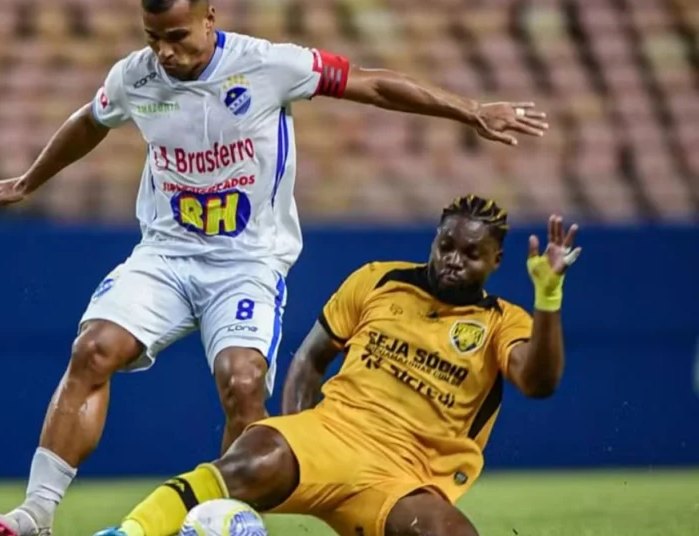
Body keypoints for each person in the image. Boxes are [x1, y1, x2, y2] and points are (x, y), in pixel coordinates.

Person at [0, 0, 550, 532]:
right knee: (92, 349)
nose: (165, 51)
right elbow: (89, 122)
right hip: (166, 253)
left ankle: (224, 523)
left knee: (243, 384)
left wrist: (471, 110)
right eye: (153, 38)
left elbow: (372, 85)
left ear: (209, 18)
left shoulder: (269, 65)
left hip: (246, 264)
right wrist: (29, 181)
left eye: (177, 36)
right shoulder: (135, 76)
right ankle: (36, 511)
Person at [92, 195, 581, 536]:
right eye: (446, 246)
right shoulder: (378, 280)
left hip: (406, 477)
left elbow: (538, 383)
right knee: (248, 459)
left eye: (471, 254)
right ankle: (127, 532)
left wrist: (548, 296)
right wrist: (298, 431)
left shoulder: (502, 322)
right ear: (434, 239)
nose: (454, 260)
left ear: (496, 260)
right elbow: (310, 359)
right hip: (333, 434)